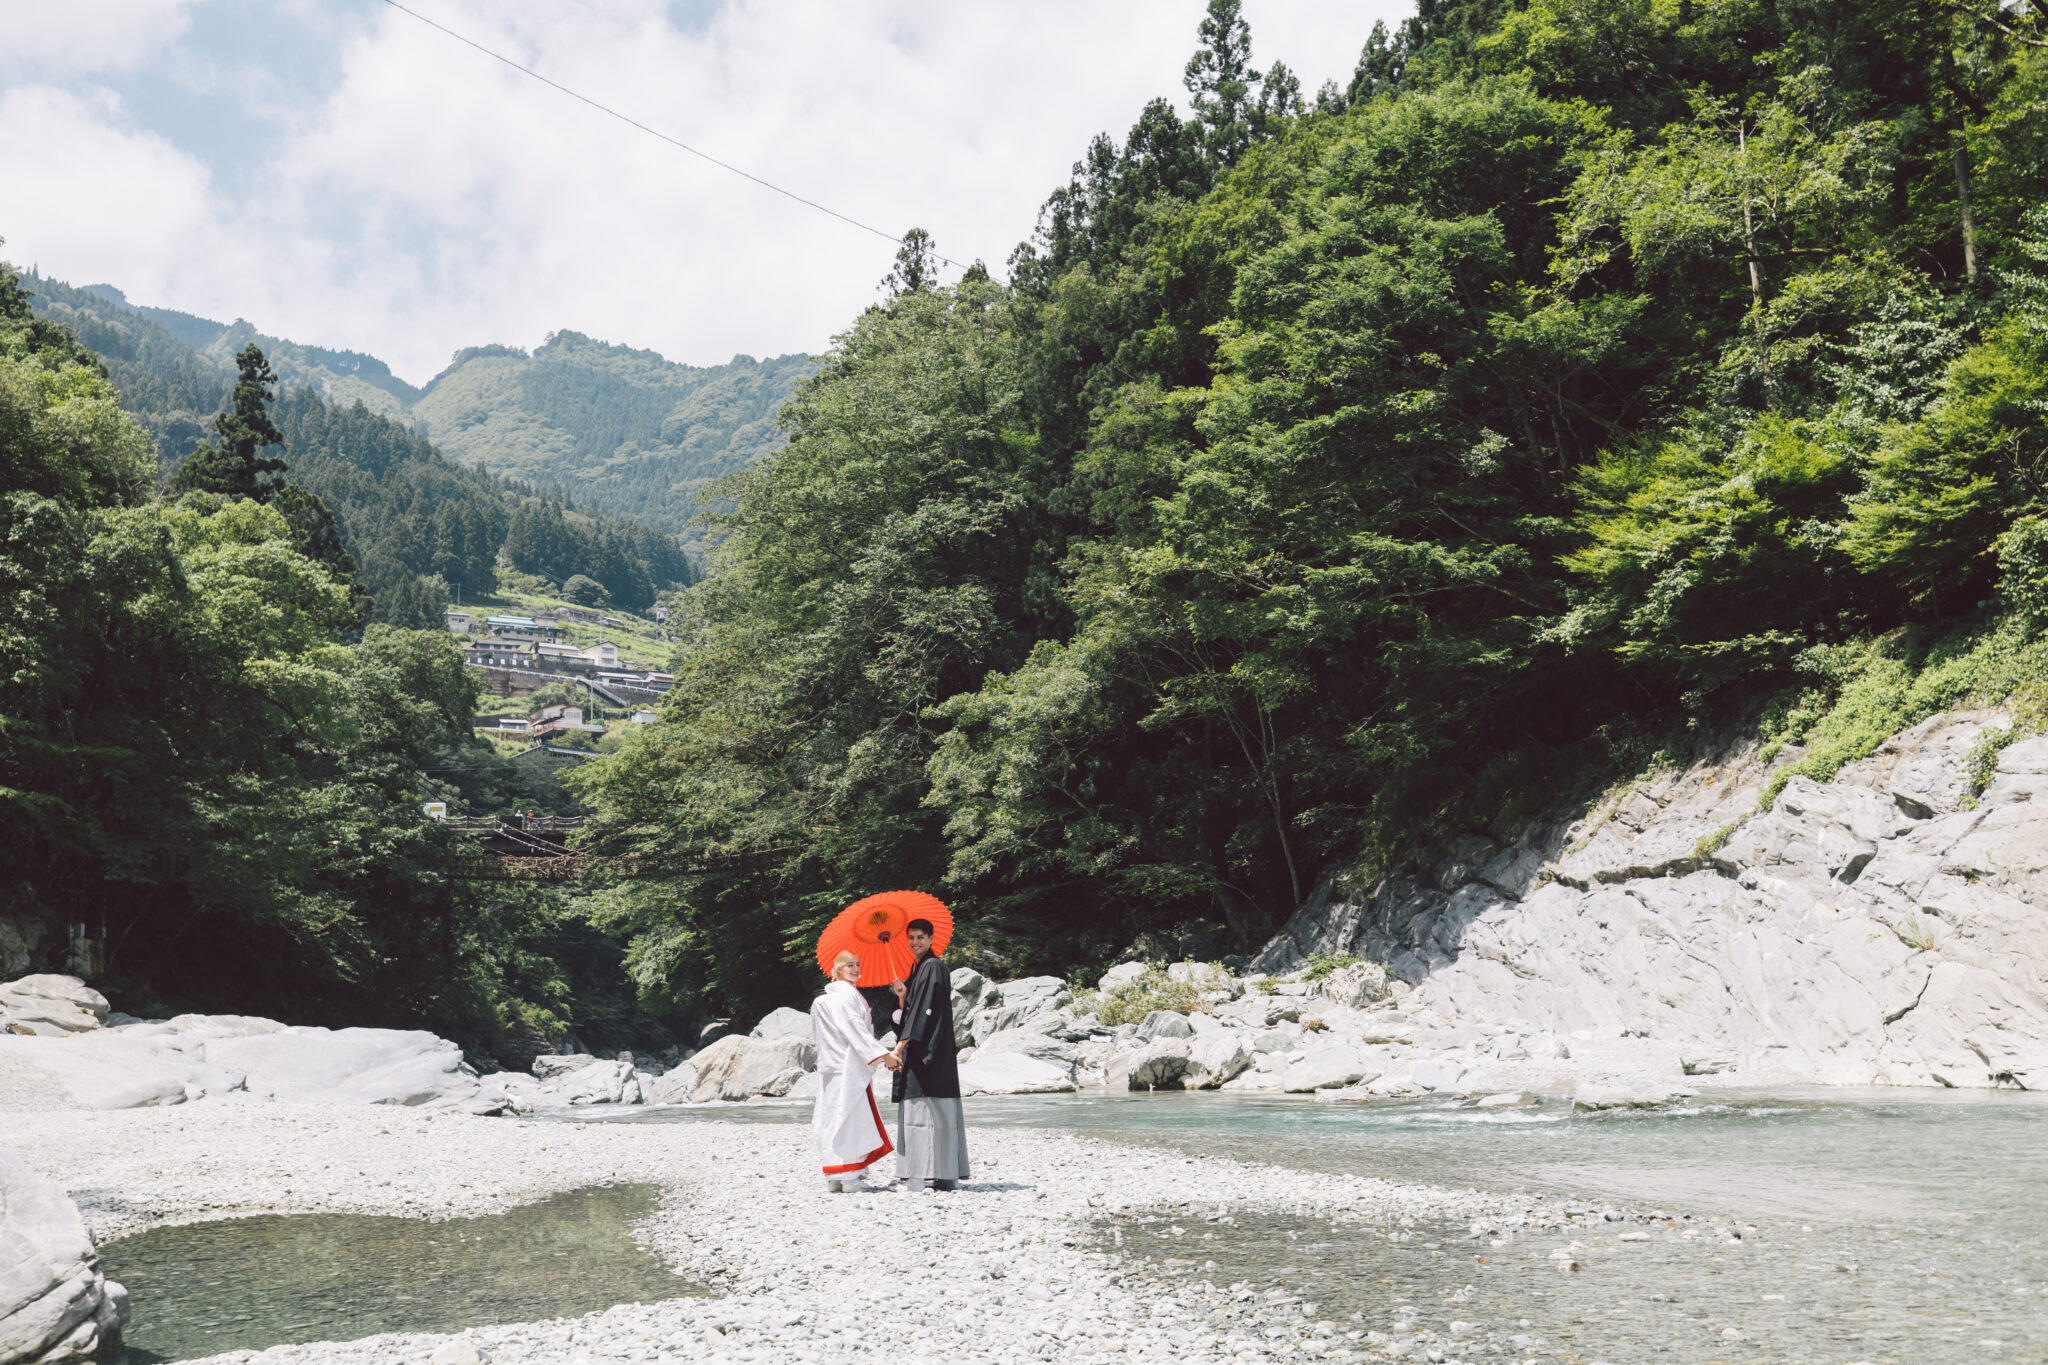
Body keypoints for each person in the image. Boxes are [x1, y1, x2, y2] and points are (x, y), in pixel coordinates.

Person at [890, 918, 969, 1191]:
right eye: (911, 938)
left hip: (928, 1050)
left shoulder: (933, 966)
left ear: (931, 939)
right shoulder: (919, 969)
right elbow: (912, 1009)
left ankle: (917, 1177)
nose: (915, 942)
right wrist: (903, 996)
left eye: (920, 937)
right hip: (932, 1050)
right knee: (938, 1112)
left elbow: (924, 1011)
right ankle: (945, 1175)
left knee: (921, 1111)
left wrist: (900, 1046)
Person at [811, 950, 900, 1192]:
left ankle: (834, 1176)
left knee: (832, 1117)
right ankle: (850, 1176)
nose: (855, 969)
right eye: (849, 965)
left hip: (831, 1065)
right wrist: (884, 1055)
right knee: (850, 1116)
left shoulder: (823, 999)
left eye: (857, 964)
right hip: (848, 1064)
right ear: (837, 969)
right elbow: (855, 1030)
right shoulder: (846, 997)